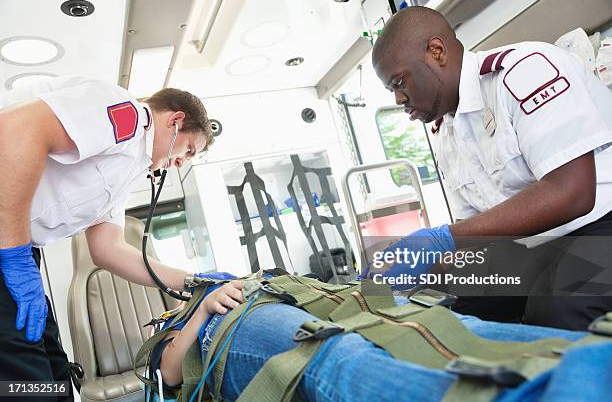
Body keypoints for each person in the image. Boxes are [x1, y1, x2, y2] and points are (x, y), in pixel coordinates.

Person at [368, 6, 612, 330]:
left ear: (436, 52)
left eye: (399, 82)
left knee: (555, 308)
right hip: (539, 244)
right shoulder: (447, 133)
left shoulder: (523, 71)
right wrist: (426, 266)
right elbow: (481, 229)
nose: (398, 99)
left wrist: (441, 240)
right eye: (391, 90)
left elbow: (572, 192)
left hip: (599, 224)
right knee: (443, 296)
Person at [0, 75, 214, 400]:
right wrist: (14, 253)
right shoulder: (125, 114)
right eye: (189, 149)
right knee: (25, 382)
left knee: (55, 378)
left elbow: (107, 248)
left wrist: (195, 280)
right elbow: (16, 129)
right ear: (176, 120)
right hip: (10, 247)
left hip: (17, 249)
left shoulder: (127, 172)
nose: (182, 161)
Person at [150, 280, 612, 402]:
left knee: (427, 321)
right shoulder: (175, 322)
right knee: (332, 351)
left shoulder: (203, 280)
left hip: (300, 295)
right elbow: (170, 373)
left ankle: (597, 359)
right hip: (233, 330)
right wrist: (203, 308)